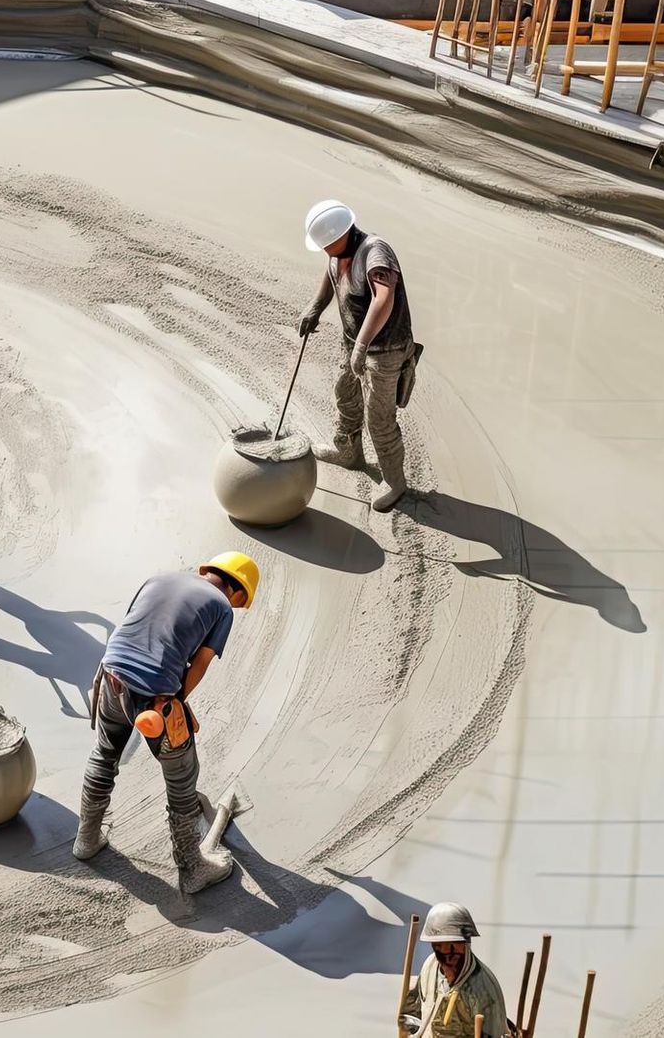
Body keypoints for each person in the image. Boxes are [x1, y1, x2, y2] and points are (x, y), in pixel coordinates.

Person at [73, 552, 259, 895]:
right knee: (183, 775)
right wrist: (174, 704)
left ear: (209, 570)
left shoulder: (159, 577)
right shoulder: (220, 606)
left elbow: (133, 627)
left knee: (105, 752)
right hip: (154, 698)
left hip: (110, 675)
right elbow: (200, 665)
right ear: (237, 592)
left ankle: (86, 839)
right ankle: (192, 868)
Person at [297, 199, 421, 512]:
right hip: (351, 341)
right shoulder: (337, 252)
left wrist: (363, 346)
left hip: (386, 350)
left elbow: (384, 299)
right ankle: (348, 452)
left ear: (346, 231)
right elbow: (331, 274)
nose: (325, 250)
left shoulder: (375, 252)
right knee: (345, 394)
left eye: (328, 243)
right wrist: (316, 307)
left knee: (379, 419)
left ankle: (395, 481)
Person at [399, 902, 510, 1038]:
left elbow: (494, 1033)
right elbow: (413, 1011)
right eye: (441, 949)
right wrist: (407, 1026)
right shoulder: (430, 967)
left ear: (466, 945)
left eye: (454, 950)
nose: (448, 959)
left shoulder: (484, 989)